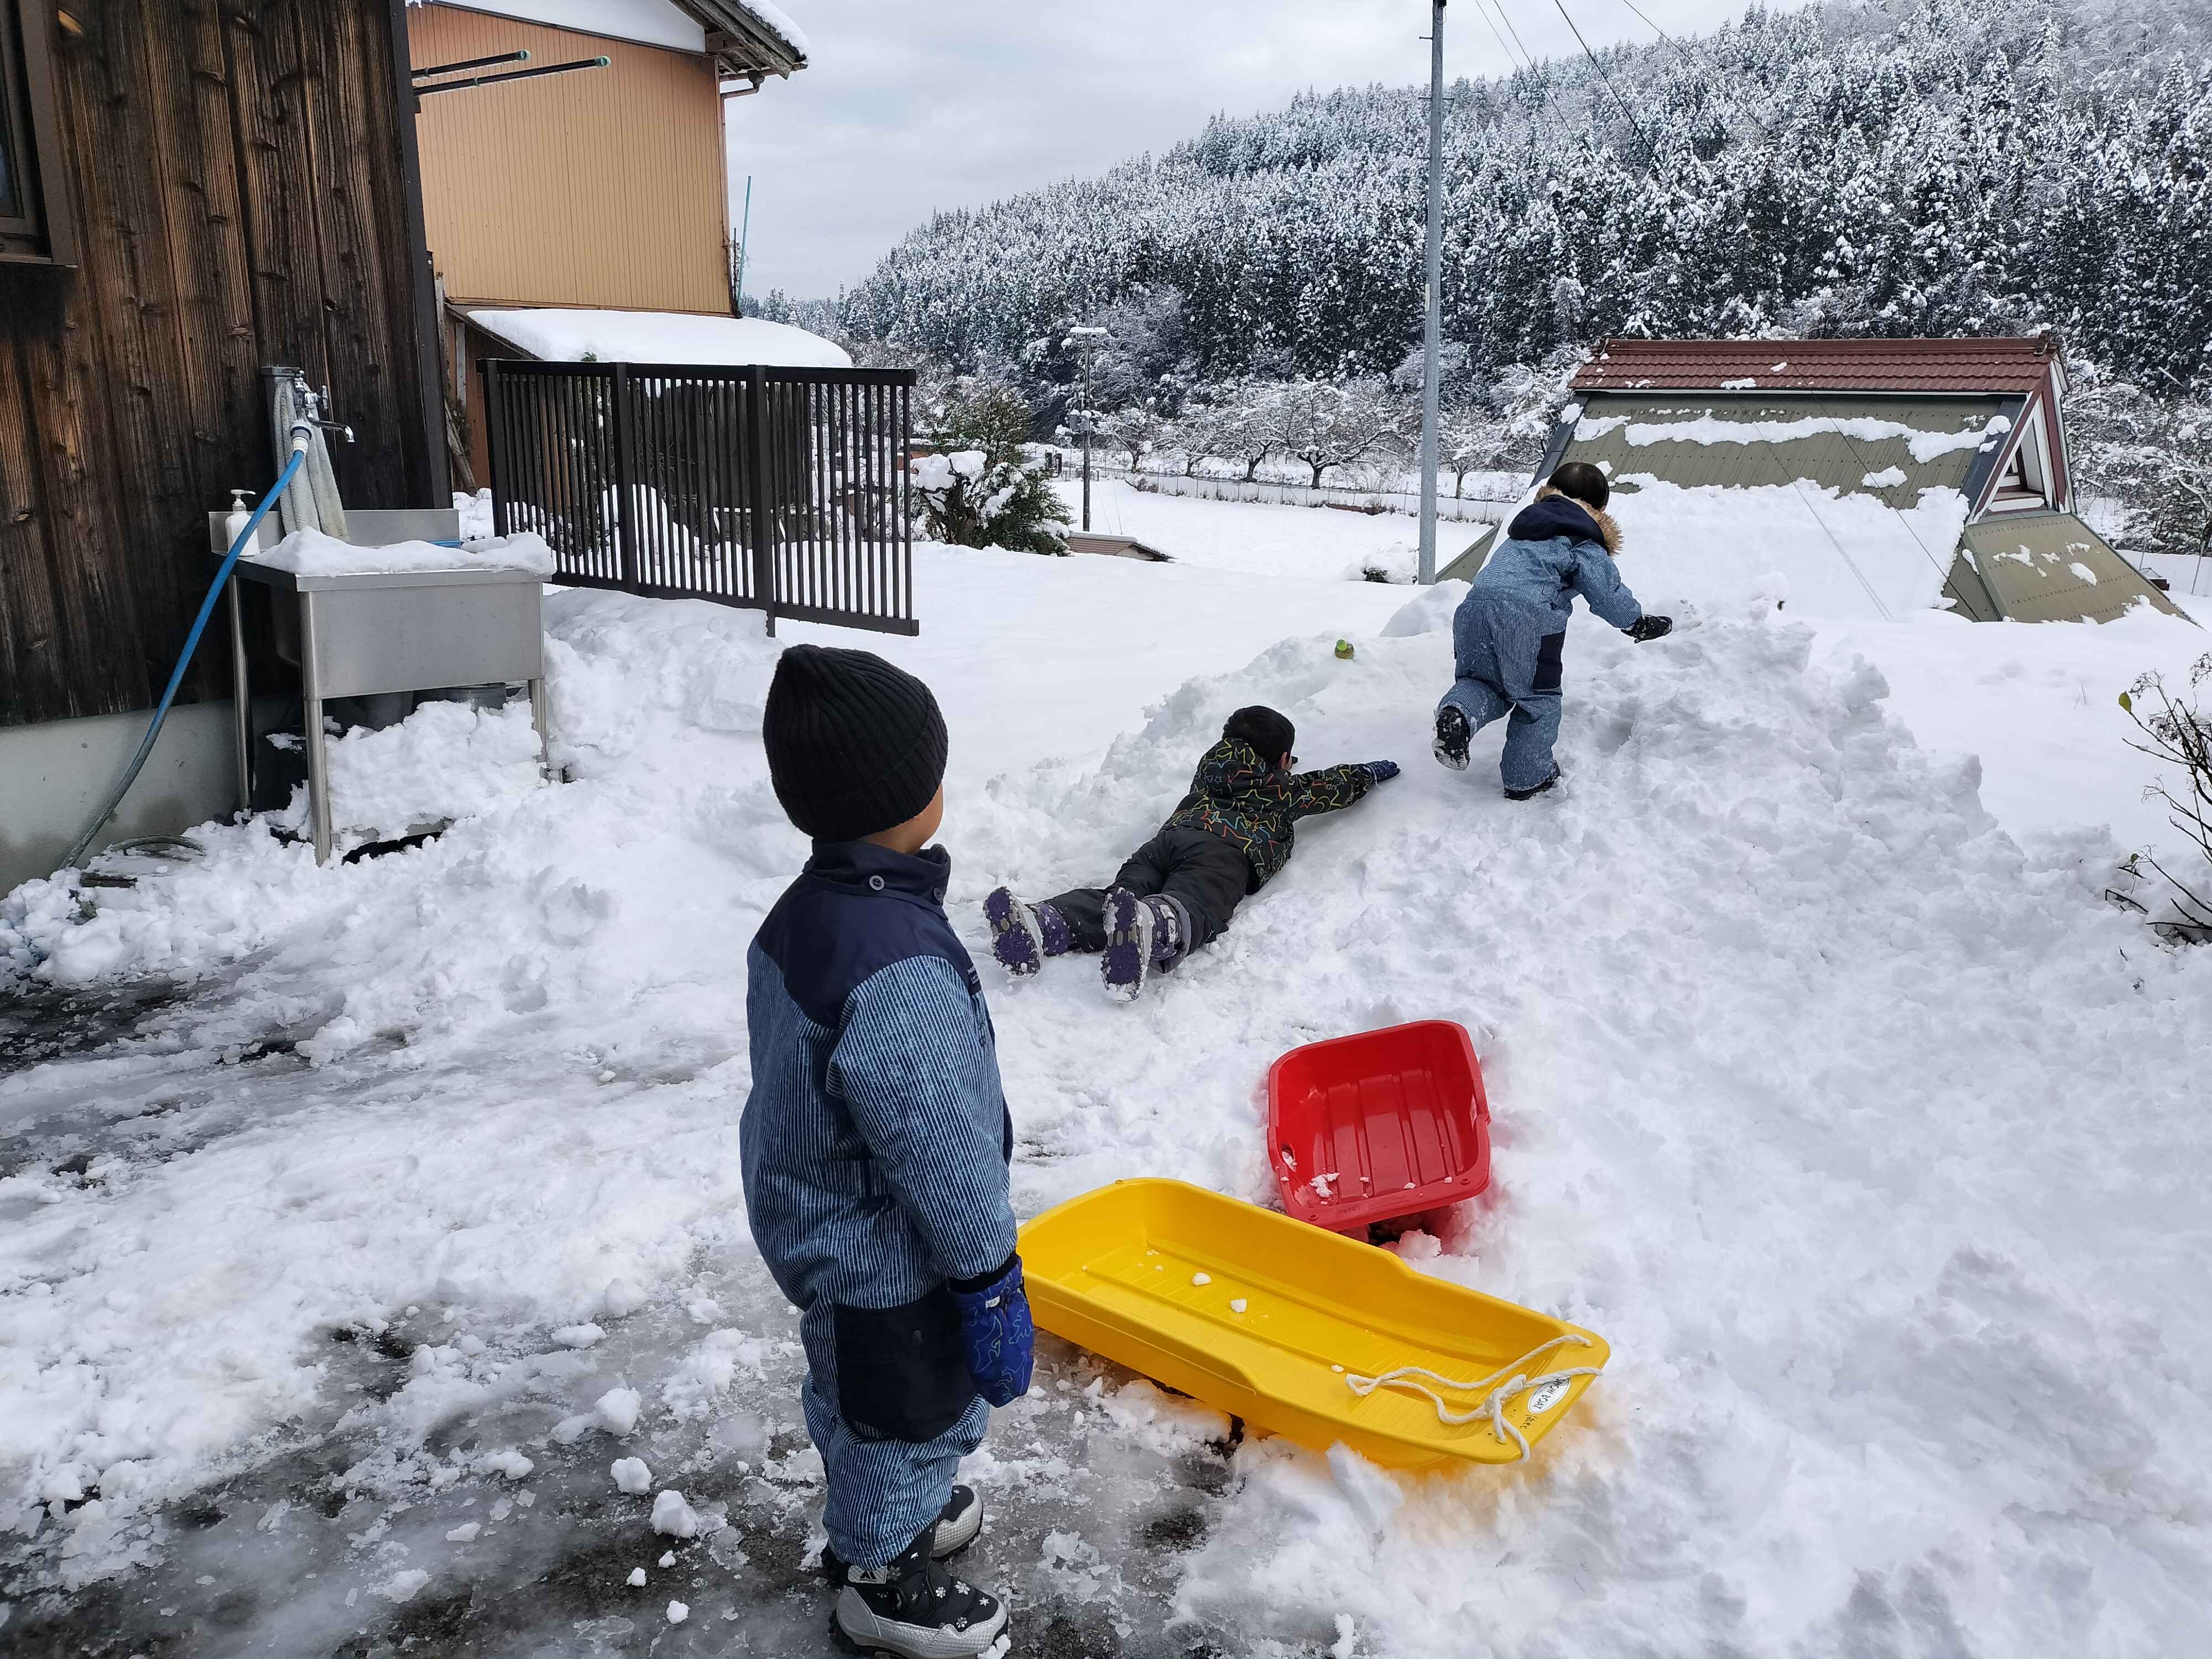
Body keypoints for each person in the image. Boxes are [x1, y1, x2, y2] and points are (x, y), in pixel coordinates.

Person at [742, 644, 1030, 1659]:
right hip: (886, 1249)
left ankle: (890, 1511)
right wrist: (987, 1274)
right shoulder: (893, 959)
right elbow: (935, 1141)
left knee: (861, 1391)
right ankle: (877, 1572)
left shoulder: (815, 913)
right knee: (902, 1403)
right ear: (910, 796)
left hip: (820, 1217)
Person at [984, 705, 1399, 1001]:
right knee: (1193, 900)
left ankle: (1041, 924)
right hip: (1224, 851)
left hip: (1166, 842)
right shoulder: (1281, 787)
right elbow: (1331, 786)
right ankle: (1150, 925)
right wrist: (1371, 771)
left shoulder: (1208, 773)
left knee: (1117, 897)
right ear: (1284, 759)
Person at [1432, 461, 1672, 799]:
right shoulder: (1581, 540)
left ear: (1548, 494)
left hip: (1473, 609)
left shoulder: (1525, 530)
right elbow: (1607, 593)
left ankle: (1458, 714)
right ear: (1601, 508)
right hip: (1527, 618)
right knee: (1538, 701)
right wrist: (1637, 623)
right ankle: (1528, 777)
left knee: (1483, 682)